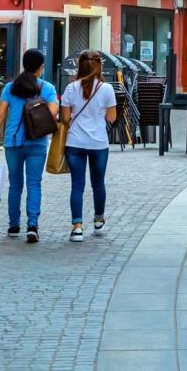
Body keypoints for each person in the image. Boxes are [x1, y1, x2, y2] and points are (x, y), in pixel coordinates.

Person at [0, 49, 58, 243]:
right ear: (40, 68)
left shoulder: (10, 88)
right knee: (34, 183)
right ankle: (32, 225)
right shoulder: (48, 88)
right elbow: (52, 115)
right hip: (37, 142)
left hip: (13, 142)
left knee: (15, 184)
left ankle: (13, 225)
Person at [60, 50, 118, 243]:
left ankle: (77, 227)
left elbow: (66, 118)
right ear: (99, 66)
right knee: (98, 183)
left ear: (80, 66)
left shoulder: (70, 88)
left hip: (75, 142)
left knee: (77, 185)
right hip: (98, 143)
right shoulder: (107, 89)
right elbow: (112, 117)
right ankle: (99, 220)